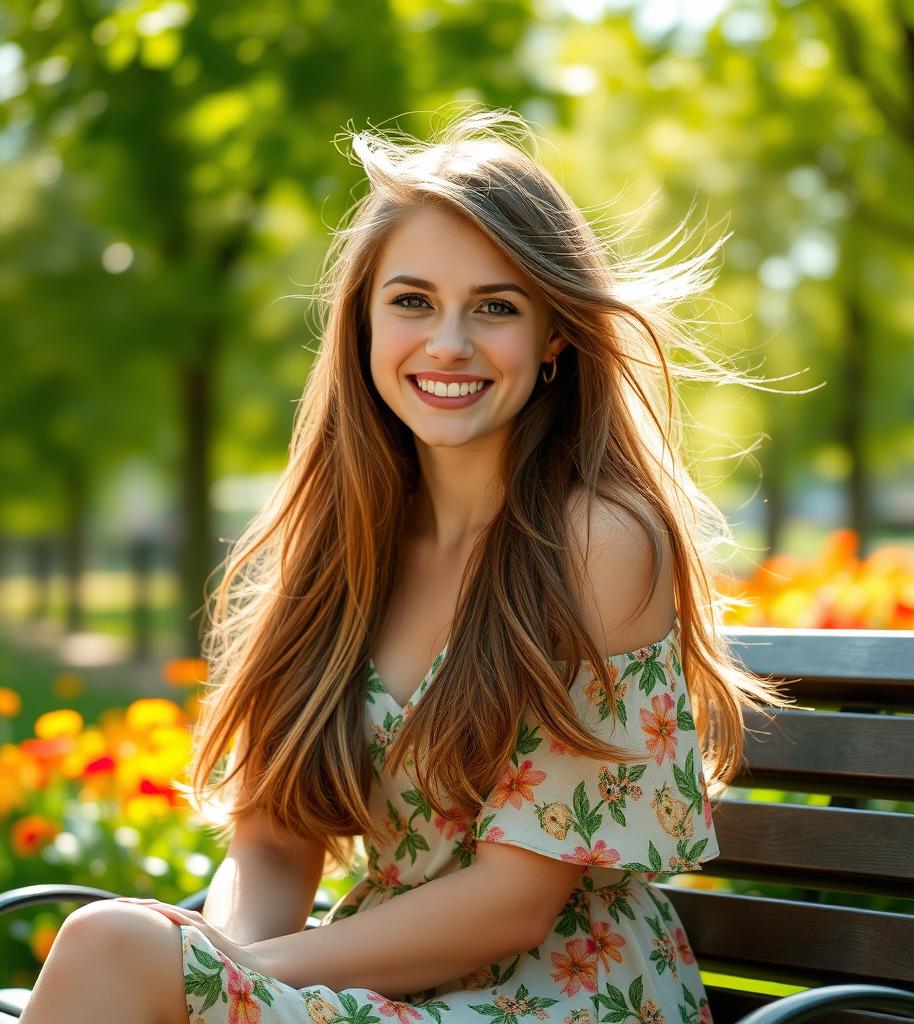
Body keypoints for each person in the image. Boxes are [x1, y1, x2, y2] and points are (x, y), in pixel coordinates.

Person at [20, 106, 790, 1024]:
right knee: (121, 948)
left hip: (563, 994)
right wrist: (223, 958)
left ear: (554, 336)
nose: (449, 344)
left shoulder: (600, 540)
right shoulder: (347, 544)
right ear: (363, 323)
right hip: (381, 981)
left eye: (495, 307)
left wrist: (241, 969)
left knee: (116, 949)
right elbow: (274, 840)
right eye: (413, 300)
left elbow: (515, 902)